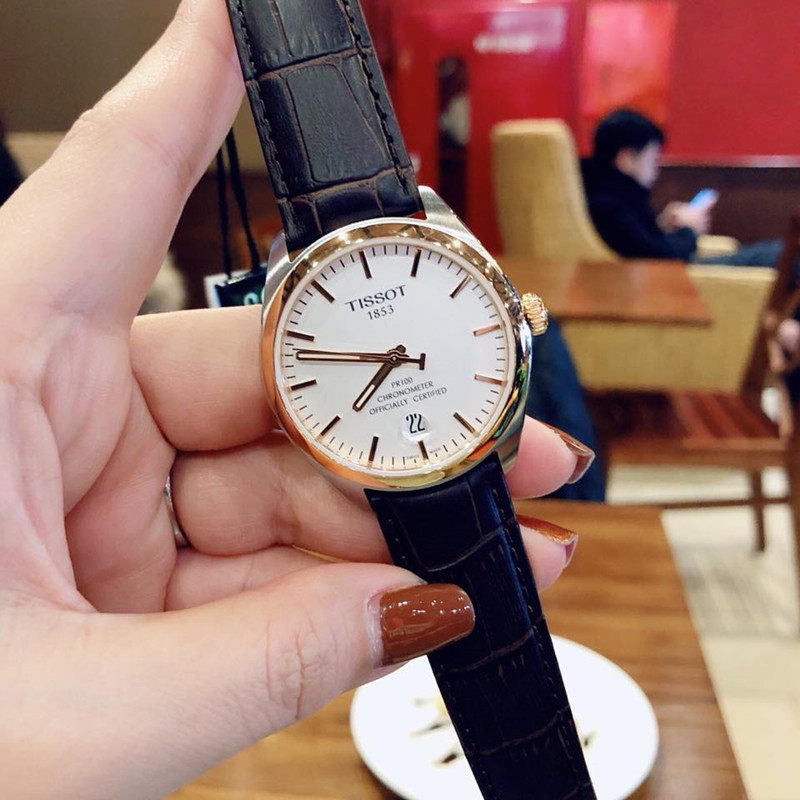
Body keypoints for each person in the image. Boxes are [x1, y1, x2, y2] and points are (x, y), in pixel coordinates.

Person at [0, 1, 591, 797]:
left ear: (517, 317)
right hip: (393, 453)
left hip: (446, 434)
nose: (396, 355)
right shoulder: (298, 347)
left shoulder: (436, 266)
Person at [582, 109, 711, 261]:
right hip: (659, 273)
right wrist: (689, 229)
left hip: (658, 270)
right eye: (653, 159)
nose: (656, 169)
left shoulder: (600, 190)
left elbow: (639, 241)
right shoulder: (607, 204)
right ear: (626, 158)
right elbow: (656, 257)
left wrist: (662, 225)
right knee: (739, 259)